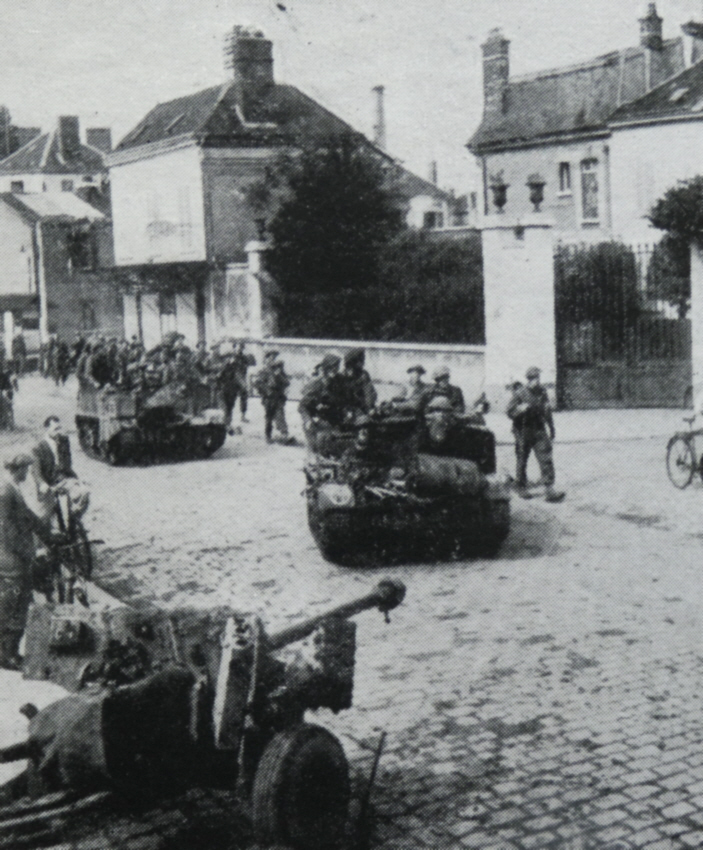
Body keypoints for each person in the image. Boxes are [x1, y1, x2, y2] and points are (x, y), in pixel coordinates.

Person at [0, 452, 49, 669]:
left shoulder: (12, 489)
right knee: (16, 606)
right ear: (16, 469)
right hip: (12, 560)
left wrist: (47, 533)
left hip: (14, 556)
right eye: (26, 470)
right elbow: (7, 532)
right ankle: (8, 655)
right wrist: (28, 553)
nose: (28, 473)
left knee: (18, 603)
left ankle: (7, 651)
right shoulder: (4, 493)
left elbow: (27, 514)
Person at [507, 366, 565, 503]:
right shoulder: (520, 393)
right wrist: (519, 409)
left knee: (546, 457)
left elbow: (547, 411)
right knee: (522, 457)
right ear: (528, 380)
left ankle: (549, 489)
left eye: (538, 378)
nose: (536, 381)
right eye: (533, 379)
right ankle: (521, 486)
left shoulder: (542, 392)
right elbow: (509, 411)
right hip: (523, 429)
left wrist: (551, 428)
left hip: (539, 428)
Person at [32, 416, 89, 519]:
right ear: (46, 429)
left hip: (64, 480)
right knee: (45, 518)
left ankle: (74, 519)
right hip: (48, 483)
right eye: (55, 429)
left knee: (84, 492)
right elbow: (36, 470)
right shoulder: (38, 446)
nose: (58, 432)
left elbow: (67, 465)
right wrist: (42, 484)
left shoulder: (64, 441)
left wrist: (77, 479)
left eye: (59, 428)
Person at [299, 353, 347, 432]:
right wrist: (308, 420)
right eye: (332, 367)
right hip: (317, 420)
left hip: (334, 418)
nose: (335, 369)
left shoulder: (339, 381)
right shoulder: (316, 383)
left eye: (337, 367)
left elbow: (344, 399)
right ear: (326, 368)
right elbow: (302, 406)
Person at [255, 354, 293, 444]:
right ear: (266, 360)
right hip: (268, 399)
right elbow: (257, 384)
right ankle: (268, 435)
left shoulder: (280, 373)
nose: (272, 360)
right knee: (269, 418)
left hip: (279, 398)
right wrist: (265, 391)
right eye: (270, 358)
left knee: (280, 415)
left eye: (274, 358)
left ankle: (284, 434)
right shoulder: (264, 372)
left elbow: (287, 383)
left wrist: (279, 375)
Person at [341, 348, 377, 415]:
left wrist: (369, 408)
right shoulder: (343, 376)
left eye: (363, 360)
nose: (363, 363)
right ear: (354, 362)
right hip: (347, 408)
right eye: (361, 360)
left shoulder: (363, 375)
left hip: (361, 407)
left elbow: (368, 393)